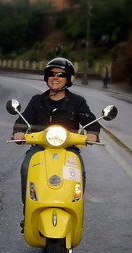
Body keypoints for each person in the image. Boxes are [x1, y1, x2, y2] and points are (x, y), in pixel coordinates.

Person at [12, 57, 100, 230]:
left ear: (68, 79)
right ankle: (28, 211)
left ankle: (76, 213)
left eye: (61, 74)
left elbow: (91, 122)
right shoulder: (37, 101)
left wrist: (92, 134)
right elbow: (23, 120)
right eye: (51, 73)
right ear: (46, 77)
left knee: (79, 173)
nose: (55, 77)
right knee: (26, 168)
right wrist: (18, 132)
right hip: (39, 149)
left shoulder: (77, 102)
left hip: (68, 150)